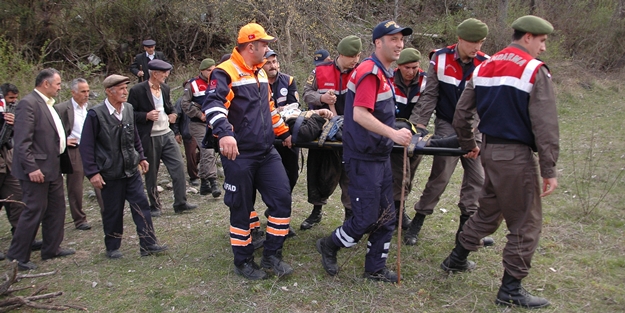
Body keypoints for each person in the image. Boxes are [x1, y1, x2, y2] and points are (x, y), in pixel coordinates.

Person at [440, 15, 559, 309]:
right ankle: (511, 288)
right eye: (542, 41)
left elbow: (461, 115)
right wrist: (549, 168)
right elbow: (546, 125)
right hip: (516, 157)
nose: (543, 48)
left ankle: (456, 259)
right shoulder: (533, 70)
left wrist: (470, 145)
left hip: (489, 151)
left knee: (488, 212)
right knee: (525, 222)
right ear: (528, 37)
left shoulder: (484, 66)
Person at [316, 20, 413, 283]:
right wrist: (393, 134)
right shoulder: (370, 72)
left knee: (387, 217)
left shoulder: (384, 72)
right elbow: (359, 114)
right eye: (393, 39)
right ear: (378, 42)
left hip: (379, 156)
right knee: (366, 219)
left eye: (401, 39)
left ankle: (375, 268)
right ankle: (329, 244)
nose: (399, 44)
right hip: (363, 158)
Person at [202, 22, 294, 280]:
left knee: (282, 199)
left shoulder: (261, 72)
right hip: (239, 154)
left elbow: (270, 108)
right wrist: (225, 132)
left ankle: (272, 255)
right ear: (250, 45)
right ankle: (242, 261)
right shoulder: (225, 72)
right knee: (241, 208)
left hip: (266, 152)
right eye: (264, 44)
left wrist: (283, 132)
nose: (267, 48)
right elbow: (213, 105)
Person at [404, 18, 494, 247]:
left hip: (474, 126)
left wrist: (477, 136)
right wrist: (418, 126)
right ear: (460, 40)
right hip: (447, 123)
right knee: (441, 173)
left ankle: (467, 231)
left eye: (481, 42)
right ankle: (418, 220)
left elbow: (488, 104)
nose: (477, 47)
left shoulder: (486, 63)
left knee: (477, 178)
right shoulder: (440, 58)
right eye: (473, 42)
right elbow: (430, 94)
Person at [80, 74, 168, 259]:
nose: (125, 92)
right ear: (108, 91)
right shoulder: (96, 114)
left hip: (131, 170)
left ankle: (148, 244)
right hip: (110, 173)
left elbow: (134, 136)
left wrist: (141, 157)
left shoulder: (128, 109)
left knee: (141, 206)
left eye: (125, 88)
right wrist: (92, 173)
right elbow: (86, 145)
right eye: (120, 89)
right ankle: (112, 247)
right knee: (113, 210)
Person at [7, 68, 75, 271]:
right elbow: (22, 142)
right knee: (33, 210)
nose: (60, 87)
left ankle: (51, 248)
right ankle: (18, 255)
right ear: (46, 84)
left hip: (53, 166)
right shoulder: (28, 104)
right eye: (58, 84)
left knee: (56, 208)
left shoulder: (48, 104)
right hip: (37, 170)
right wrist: (31, 168)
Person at [300, 35, 361, 230]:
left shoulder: (361, 72)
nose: (355, 60)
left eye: (358, 56)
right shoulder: (320, 70)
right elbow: (306, 93)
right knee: (320, 172)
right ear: (340, 54)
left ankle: (349, 217)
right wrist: (321, 96)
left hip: (352, 129)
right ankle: (316, 211)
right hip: (324, 129)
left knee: (350, 175)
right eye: (352, 56)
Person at [127, 59, 197, 216]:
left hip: (166, 134)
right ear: (154, 73)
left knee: (178, 167)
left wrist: (173, 114)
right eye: (164, 73)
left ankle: (181, 202)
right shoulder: (137, 90)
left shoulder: (164, 88)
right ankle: (154, 205)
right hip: (150, 136)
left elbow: (169, 106)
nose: (167, 75)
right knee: (151, 172)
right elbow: (130, 113)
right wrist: (145, 115)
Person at [55, 78, 105, 231]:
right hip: (74, 149)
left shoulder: (92, 107)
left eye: (88, 91)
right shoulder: (62, 108)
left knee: (101, 181)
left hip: (92, 148)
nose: (86, 94)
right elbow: (53, 129)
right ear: (73, 92)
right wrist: (62, 141)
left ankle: (107, 213)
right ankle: (79, 219)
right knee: (75, 185)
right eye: (83, 91)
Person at [390, 48, 427, 230]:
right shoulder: (388, 79)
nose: (411, 72)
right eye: (407, 68)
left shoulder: (425, 81)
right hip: (392, 130)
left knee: (409, 172)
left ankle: (399, 207)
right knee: (398, 173)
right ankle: (396, 211)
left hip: (416, 131)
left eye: (415, 67)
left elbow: (423, 108)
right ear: (398, 67)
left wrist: (414, 131)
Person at [181, 58, 221, 197]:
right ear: (202, 71)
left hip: (215, 121)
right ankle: (213, 181)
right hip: (198, 123)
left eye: (213, 70)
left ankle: (204, 182)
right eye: (209, 70)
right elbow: (184, 104)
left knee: (208, 152)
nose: (212, 73)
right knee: (208, 151)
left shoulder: (217, 82)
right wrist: (199, 114)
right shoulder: (192, 84)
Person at [0, 83, 25, 260]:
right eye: (10, 99)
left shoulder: (12, 112)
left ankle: (22, 239)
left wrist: (13, 124)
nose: (13, 102)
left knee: (17, 198)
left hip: (8, 159)